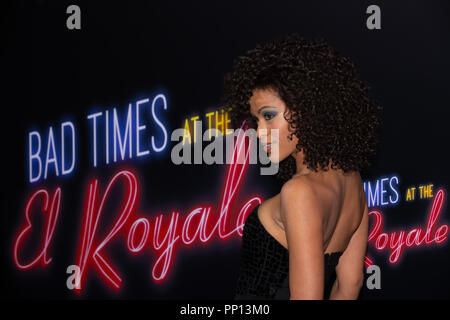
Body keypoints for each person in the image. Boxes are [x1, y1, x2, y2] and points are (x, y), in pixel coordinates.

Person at [220, 33, 383, 300]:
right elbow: (350, 285)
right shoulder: (352, 180)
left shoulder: (299, 192)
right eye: (256, 120)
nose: (259, 132)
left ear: (306, 109)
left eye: (269, 116)